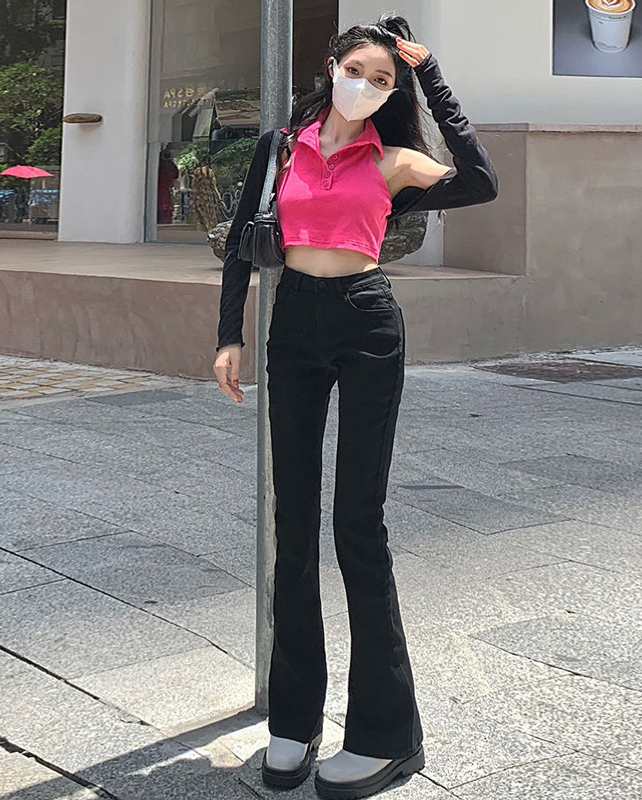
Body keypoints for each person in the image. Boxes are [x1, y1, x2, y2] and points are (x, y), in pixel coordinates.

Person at [213, 14, 497, 800]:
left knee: (357, 526)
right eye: (358, 71)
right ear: (331, 65)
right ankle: (293, 721)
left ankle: (386, 736)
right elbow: (241, 241)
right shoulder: (281, 146)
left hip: (367, 321)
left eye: (383, 81)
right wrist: (229, 334)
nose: (366, 87)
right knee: (293, 524)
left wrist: (431, 77)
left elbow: (481, 181)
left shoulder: (395, 159)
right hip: (294, 322)